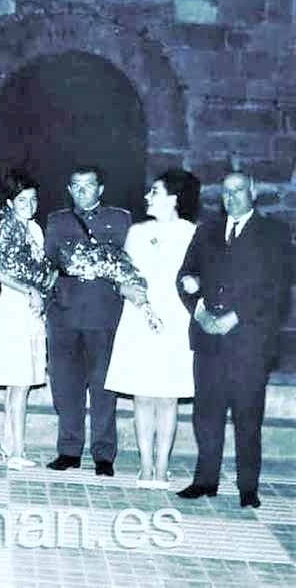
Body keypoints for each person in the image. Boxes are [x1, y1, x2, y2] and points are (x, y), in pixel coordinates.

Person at [176, 172, 293, 509]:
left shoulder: (273, 233)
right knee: (206, 415)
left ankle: (247, 487)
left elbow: (276, 289)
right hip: (208, 340)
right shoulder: (207, 230)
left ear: (253, 192)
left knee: (247, 417)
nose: (232, 197)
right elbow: (184, 275)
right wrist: (197, 308)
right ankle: (205, 480)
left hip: (249, 343)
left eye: (239, 190)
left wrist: (235, 317)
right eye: (226, 192)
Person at [105, 169, 199, 489]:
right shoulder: (136, 232)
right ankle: (145, 467)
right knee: (143, 395)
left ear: (174, 197)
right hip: (139, 318)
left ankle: (162, 468)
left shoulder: (192, 233)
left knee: (167, 397)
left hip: (174, 321)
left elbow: (202, 278)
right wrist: (127, 290)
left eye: (155, 192)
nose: (148, 197)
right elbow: (122, 276)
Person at [45, 165, 131, 477]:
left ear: (101, 189)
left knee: (103, 387)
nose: (83, 192)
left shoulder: (120, 220)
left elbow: (128, 263)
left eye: (89, 185)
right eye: (76, 186)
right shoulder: (57, 221)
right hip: (64, 314)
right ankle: (68, 449)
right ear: (69, 190)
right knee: (66, 385)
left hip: (103, 313)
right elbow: (48, 265)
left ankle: (104, 454)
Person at [0, 171, 53, 470]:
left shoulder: (36, 230)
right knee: (19, 382)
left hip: (31, 309)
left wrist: (43, 288)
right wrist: (30, 290)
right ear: (10, 203)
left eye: (33, 199)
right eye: (22, 200)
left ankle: (8, 444)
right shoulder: (7, 229)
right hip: (14, 309)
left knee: (22, 384)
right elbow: (0, 273)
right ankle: (17, 451)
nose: (29, 205)